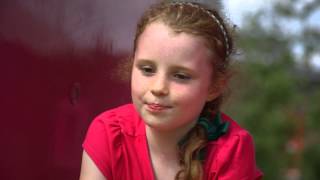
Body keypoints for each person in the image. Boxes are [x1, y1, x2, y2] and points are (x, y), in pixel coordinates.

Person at [80, 0, 263, 179]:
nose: (158, 88)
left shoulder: (231, 149)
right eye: (147, 70)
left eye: (181, 76)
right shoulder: (109, 133)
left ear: (214, 87)